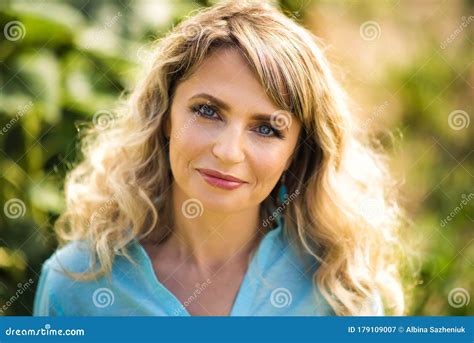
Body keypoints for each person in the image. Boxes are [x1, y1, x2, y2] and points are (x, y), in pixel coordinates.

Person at [33, 0, 406, 316]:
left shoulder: (337, 289)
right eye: (208, 111)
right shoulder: (75, 285)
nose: (228, 152)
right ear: (164, 116)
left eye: (266, 129)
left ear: (296, 152)